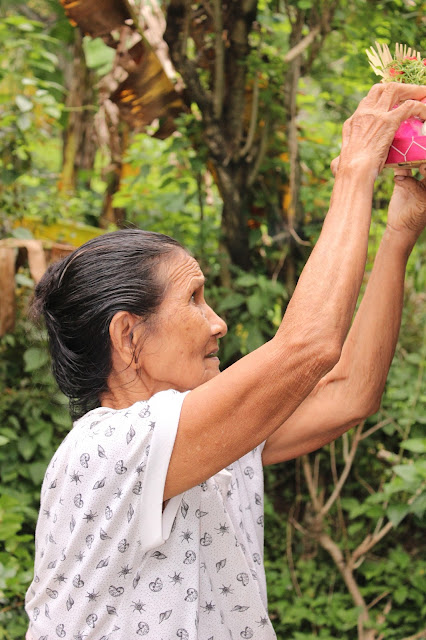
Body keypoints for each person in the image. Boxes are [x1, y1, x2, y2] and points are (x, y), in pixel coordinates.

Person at [25, 83, 426, 640]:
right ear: (128, 338)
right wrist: (354, 170)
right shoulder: (108, 448)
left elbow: (347, 393)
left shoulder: (209, 438)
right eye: (193, 299)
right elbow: (308, 346)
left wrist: (401, 230)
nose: (218, 323)